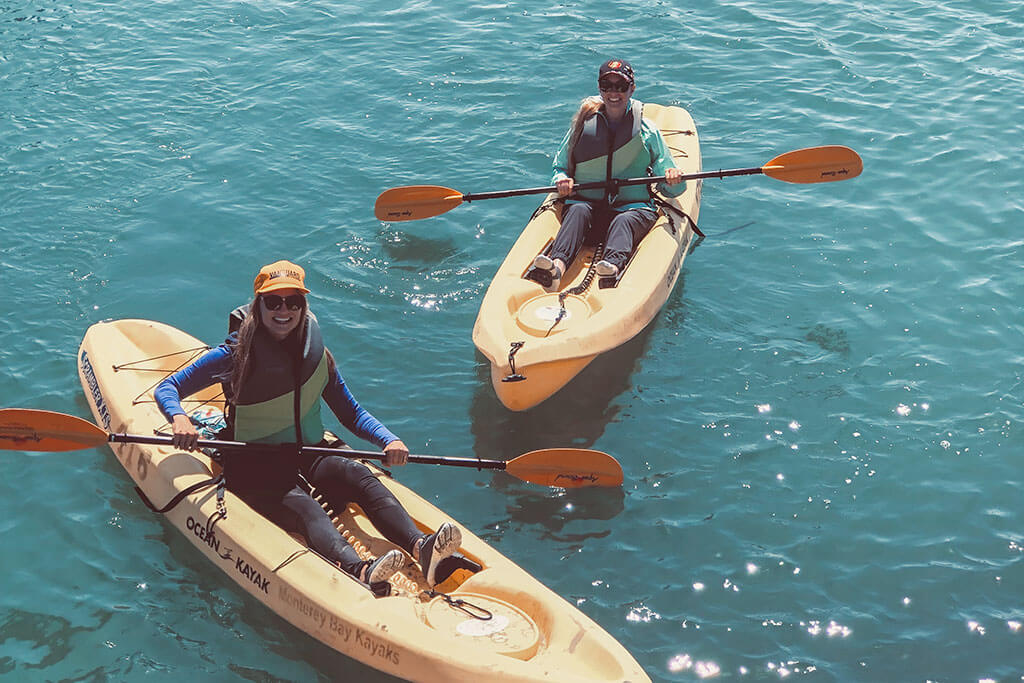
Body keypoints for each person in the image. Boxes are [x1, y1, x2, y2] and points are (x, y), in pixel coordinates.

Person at [155, 260, 461, 589]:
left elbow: (351, 413)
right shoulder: (234, 355)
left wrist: (388, 440)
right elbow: (168, 388)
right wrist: (179, 418)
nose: (283, 310)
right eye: (273, 302)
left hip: (308, 452)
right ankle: (360, 571)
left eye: (293, 302)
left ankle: (421, 547)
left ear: (303, 306)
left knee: (358, 474)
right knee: (306, 507)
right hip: (255, 464)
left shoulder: (317, 355)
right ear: (258, 305)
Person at [532, 59, 686, 288]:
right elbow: (560, 167)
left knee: (623, 220)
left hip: (633, 210)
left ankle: (611, 268)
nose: (614, 93)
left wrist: (673, 180)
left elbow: (672, 188)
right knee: (578, 211)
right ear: (600, 88)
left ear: (632, 89)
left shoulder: (647, 131)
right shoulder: (582, 126)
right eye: (607, 86)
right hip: (589, 208)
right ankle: (556, 268)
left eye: (621, 86)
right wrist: (561, 179)